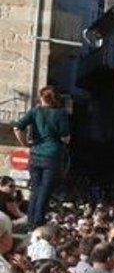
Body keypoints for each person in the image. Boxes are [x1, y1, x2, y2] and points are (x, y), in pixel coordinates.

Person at [13, 86, 71, 227]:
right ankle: (37, 223)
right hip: (52, 156)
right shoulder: (60, 113)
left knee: (35, 189)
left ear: (42, 97)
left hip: (35, 155)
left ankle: (30, 223)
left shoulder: (35, 111)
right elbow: (65, 136)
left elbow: (17, 128)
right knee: (45, 191)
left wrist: (26, 145)